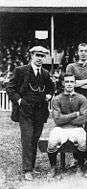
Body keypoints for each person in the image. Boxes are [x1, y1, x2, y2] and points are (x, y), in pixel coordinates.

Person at [6, 46, 55, 180]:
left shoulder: (45, 73)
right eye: (37, 55)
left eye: (42, 56)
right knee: (27, 139)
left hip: (40, 111)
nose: (39, 58)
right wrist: (20, 101)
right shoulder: (21, 71)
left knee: (34, 139)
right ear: (31, 56)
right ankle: (27, 170)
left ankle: (31, 167)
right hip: (25, 111)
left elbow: (52, 88)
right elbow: (10, 87)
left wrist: (49, 96)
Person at [47, 74, 87, 178]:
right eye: (67, 82)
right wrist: (75, 114)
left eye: (71, 82)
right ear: (63, 83)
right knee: (52, 141)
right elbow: (57, 120)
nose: (69, 84)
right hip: (61, 128)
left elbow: (82, 119)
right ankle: (53, 167)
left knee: (82, 139)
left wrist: (64, 118)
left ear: (75, 83)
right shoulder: (56, 99)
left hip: (77, 128)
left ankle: (80, 166)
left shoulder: (82, 98)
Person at [66, 43, 87, 133]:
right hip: (74, 100)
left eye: (85, 51)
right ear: (77, 53)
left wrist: (78, 83)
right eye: (81, 51)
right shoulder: (71, 66)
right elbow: (69, 83)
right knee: (75, 127)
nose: (83, 53)